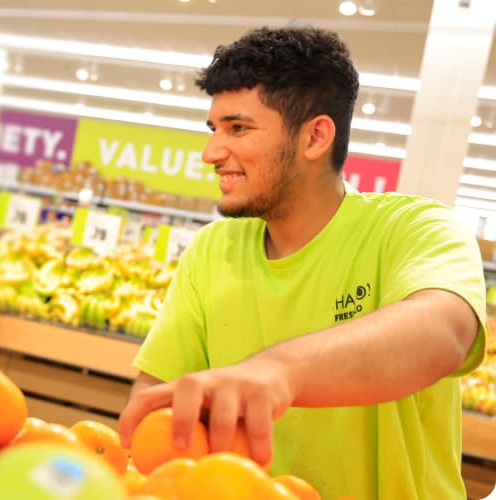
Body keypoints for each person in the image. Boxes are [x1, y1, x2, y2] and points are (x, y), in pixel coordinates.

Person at [119, 26, 487, 499]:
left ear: (315, 137)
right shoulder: (212, 251)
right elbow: (157, 413)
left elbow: (444, 333)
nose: (211, 153)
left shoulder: (414, 229)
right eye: (214, 130)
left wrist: (279, 372)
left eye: (239, 128)